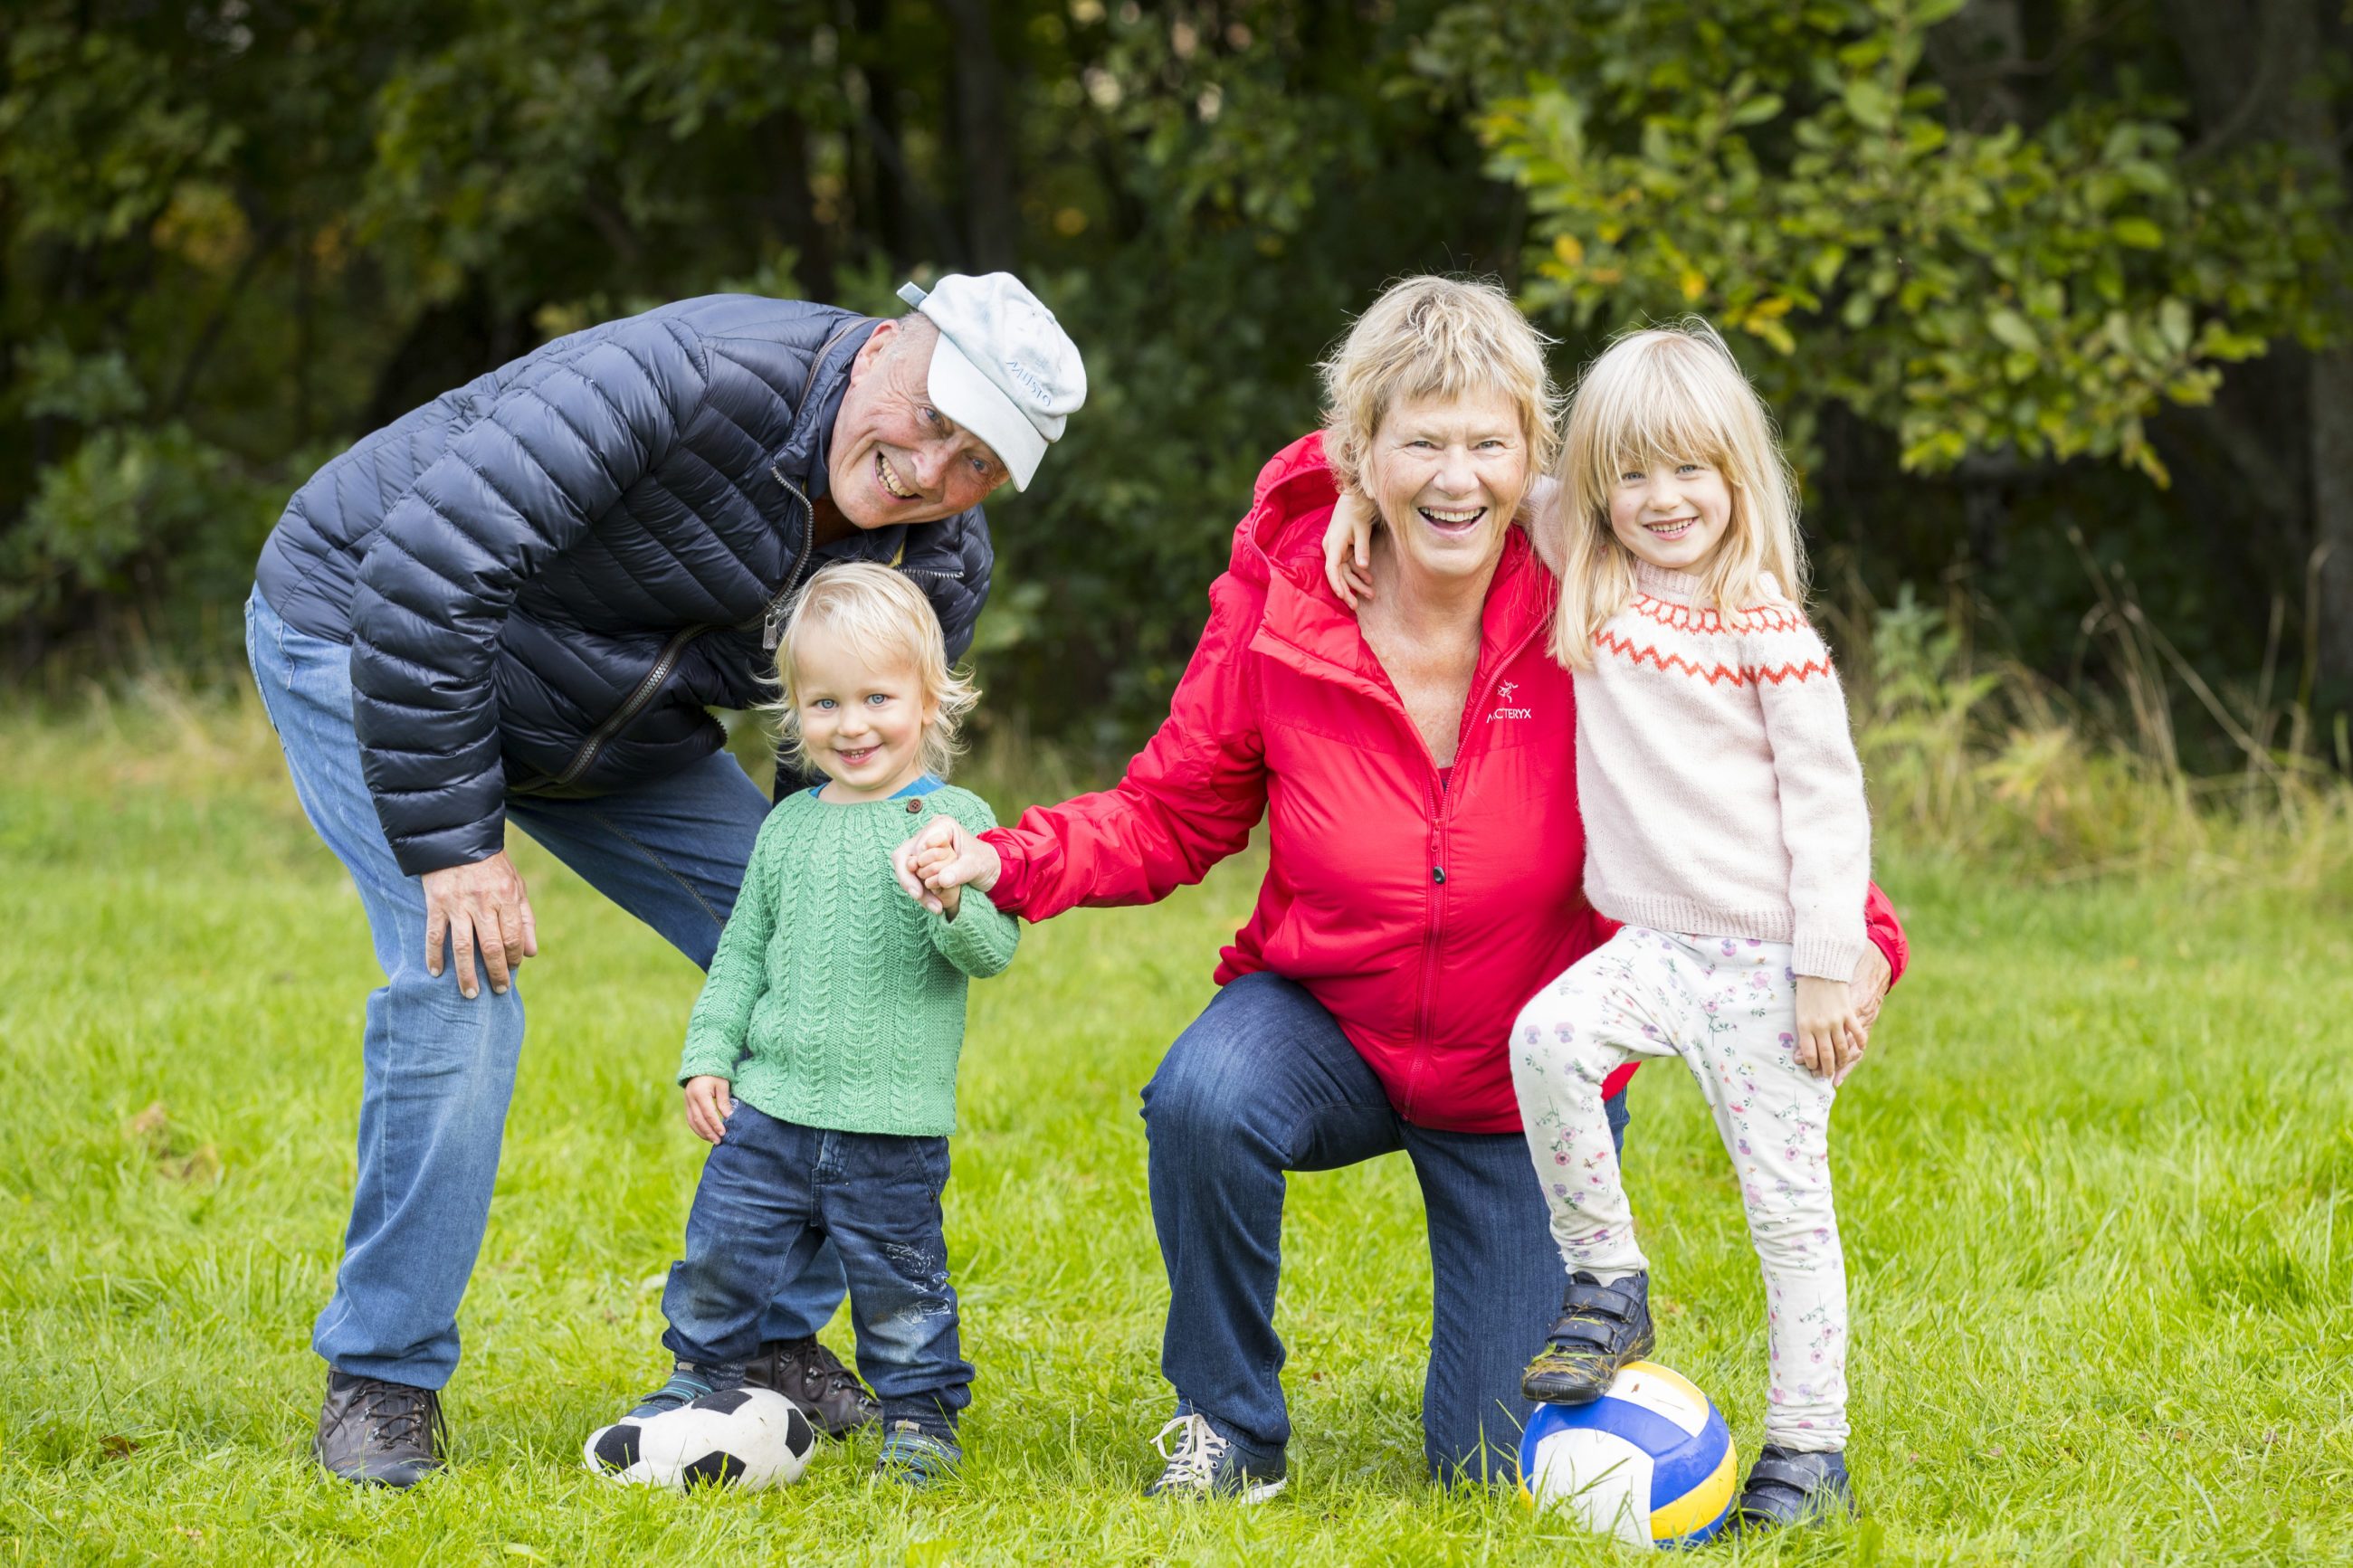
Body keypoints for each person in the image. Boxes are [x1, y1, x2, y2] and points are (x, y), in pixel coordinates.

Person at [894, 277, 1909, 1497]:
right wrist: (1012, 859)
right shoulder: (1286, 599)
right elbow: (1171, 810)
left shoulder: (1597, 591)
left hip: (1512, 1080)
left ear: (1537, 459)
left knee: (1488, 1463)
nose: (1455, 478)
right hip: (1330, 1019)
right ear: (1360, 452)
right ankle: (1230, 1429)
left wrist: (1854, 940)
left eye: (1489, 443)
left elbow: (1759, 775)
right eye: (1420, 442)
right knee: (1204, 1097)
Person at [245, 273, 1083, 1485]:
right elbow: (429, 570)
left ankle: (767, 1334)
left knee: (825, 956)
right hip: (369, 630)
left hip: (606, 726)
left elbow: (835, 806)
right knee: (459, 984)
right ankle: (383, 1374)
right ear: (890, 345)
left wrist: (880, 895)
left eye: (977, 462)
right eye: (933, 416)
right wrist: (458, 847)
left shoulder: (935, 564)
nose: (930, 468)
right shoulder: (690, 376)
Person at [1501, 320, 1872, 1529]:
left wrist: (1828, 965)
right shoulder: (1592, 570)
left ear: (1739, 475)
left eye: (1691, 469)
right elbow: (1479, 469)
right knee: (1546, 1040)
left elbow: (1827, 805)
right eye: (1632, 472)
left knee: (1787, 1208)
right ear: (1598, 484)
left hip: (1768, 966)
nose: (1663, 499)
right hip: (1653, 948)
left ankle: (1811, 1447)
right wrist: (1342, 496)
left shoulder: (1766, 629)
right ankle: (1607, 1278)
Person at [595, 564, 1016, 1489]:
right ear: (793, 710)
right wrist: (709, 1055)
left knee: (902, 1282)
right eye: (824, 702)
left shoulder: (953, 821)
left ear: (928, 696)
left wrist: (951, 897)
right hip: (772, 1105)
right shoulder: (787, 826)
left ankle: (920, 1411)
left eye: (877, 697)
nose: (852, 723)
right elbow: (742, 954)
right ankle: (697, 1375)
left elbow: (991, 951)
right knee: (720, 1249)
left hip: (891, 1120)